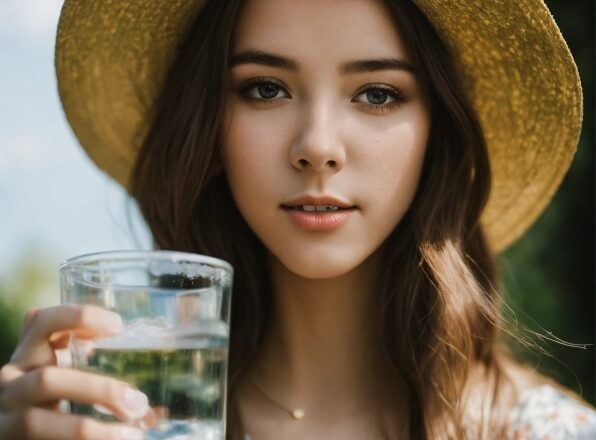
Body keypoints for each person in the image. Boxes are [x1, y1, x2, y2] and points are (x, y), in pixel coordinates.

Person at [0, 0, 594, 439]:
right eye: (265, 88)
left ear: (438, 130)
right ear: (209, 124)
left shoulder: (548, 432)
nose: (318, 146)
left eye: (378, 93)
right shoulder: (141, 419)